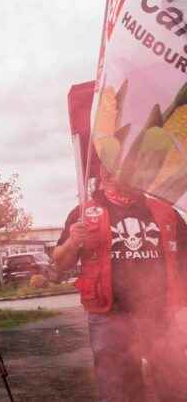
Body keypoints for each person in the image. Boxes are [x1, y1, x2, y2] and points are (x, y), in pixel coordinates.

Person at [53, 166, 187, 401]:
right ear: (102, 175)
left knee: (173, 385)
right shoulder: (83, 214)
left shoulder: (166, 212)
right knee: (119, 391)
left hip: (161, 315)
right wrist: (73, 242)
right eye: (109, 168)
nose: (116, 173)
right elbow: (60, 263)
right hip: (109, 317)